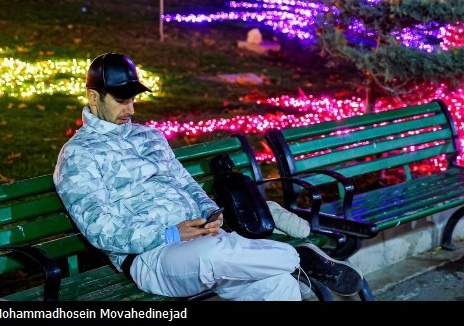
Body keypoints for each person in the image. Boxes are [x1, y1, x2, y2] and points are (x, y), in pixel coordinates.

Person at [53, 52, 363, 301]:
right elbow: (99, 228)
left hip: (208, 239)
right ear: (94, 97)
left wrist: (210, 213)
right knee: (214, 255)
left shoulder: (149, 136)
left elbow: (185, 183)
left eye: (133, 99)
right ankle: (296, 256)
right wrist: (169, 234)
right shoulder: (79, 155)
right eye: (121, 100)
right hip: (152, 256)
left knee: (277, 283)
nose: (131, 110)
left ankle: (287, 262)